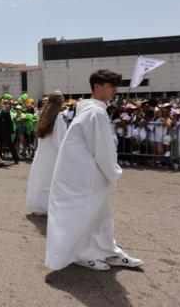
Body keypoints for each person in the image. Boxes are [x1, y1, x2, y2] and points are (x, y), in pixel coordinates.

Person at [46, 70, 143, 271]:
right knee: (86, 216)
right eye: (111, 86)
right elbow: (104, 149)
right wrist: (114, 173)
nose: (115, 90)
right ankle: (82, 254)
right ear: (97, 87)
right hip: (88, 176)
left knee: (101, 217)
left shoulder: (89, 110)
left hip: (84, 173)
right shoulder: (96, 112)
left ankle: (110, 252)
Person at [25, 91, 66, 215]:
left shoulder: (43, 115)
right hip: (53, 153)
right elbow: (60, 140)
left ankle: (40, 206)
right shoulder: (58, 118)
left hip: (42, 153)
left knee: (41, 179)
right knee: (51, 180)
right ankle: (48, 207)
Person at [0, 100, 20, 164]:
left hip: (6, 132)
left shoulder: (5, 112)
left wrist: (11, 131)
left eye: (0, 105)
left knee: (10, 146)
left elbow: (10, 122)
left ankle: (16, 159)